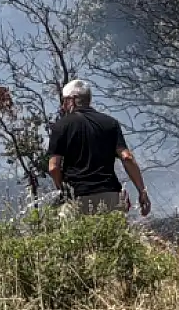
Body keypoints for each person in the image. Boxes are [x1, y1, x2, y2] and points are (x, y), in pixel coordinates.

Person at [46, 79, 151, 217]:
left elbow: (53, 167)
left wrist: (64, 191)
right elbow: (127, 157)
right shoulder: (111, 123)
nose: (63, 105)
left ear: (72, 100)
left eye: (64, 100)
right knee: (115, 231)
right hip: (110, 195)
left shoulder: (61, 126)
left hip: (77, 197)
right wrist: (142, 191)